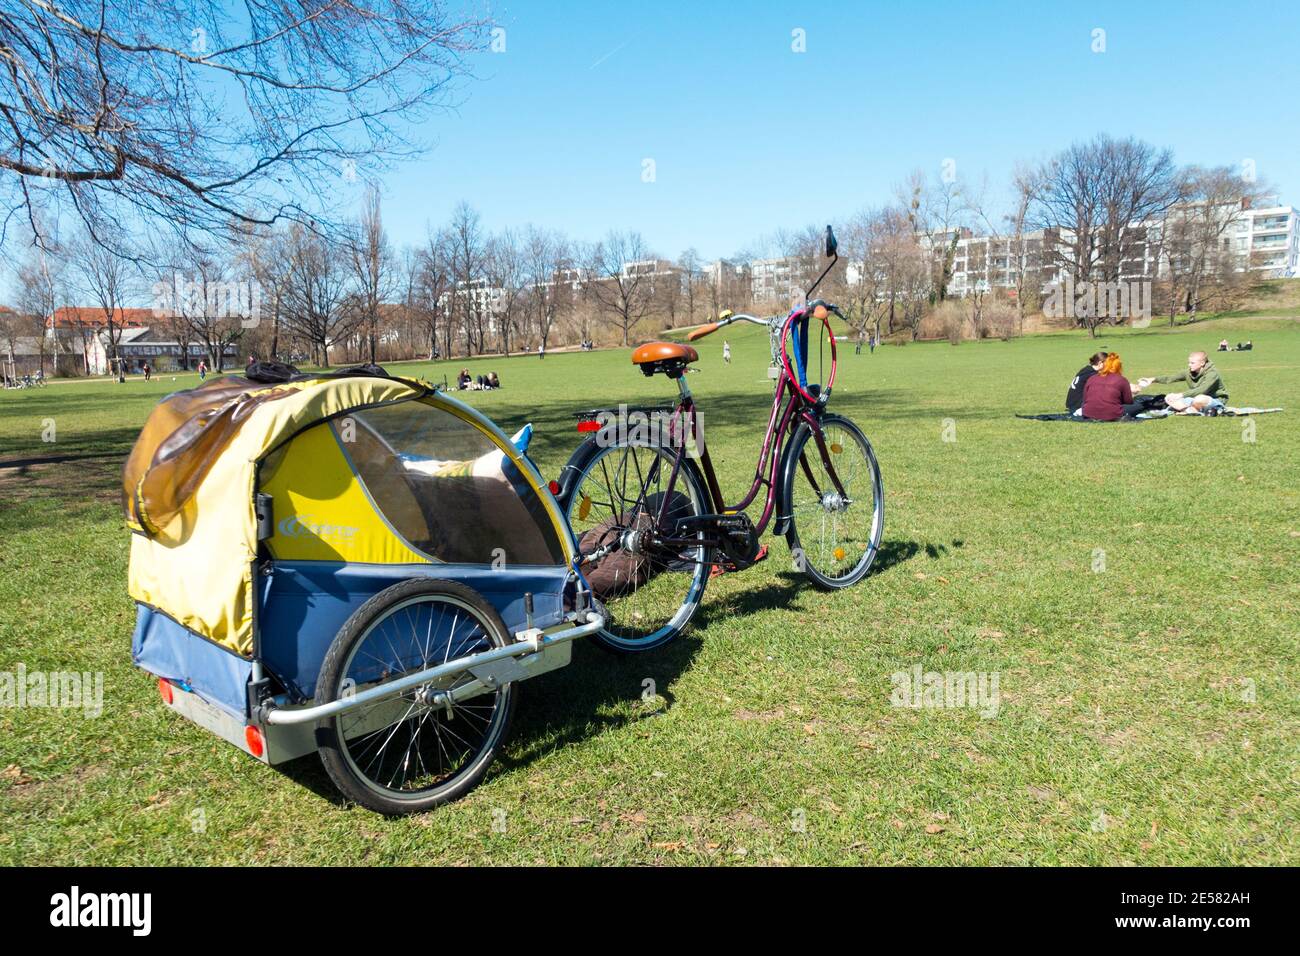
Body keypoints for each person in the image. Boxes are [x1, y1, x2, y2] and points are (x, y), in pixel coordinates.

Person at [1135, 351, 1227, 415]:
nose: (1189, 365)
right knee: (1169, 397)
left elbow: (1202, 390)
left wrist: (1181, 395)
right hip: (1193, 399)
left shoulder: (1212, 374)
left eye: (1192, 363)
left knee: (1199, 398)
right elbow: (1171, 378)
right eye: (1189, 362)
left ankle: (1189, 409)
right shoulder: (1189, 372)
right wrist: (1153, 379)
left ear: (1202, 363)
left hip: (1215, 400)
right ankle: (1190, 410)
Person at [1081, 352, 1135, 421]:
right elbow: (1128, 402)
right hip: (1111, 414)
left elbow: (1085, 399)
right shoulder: (1122, 380)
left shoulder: (1091, 378)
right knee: (1140, 404)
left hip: (1087, 413)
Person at [1066, 351, 1108, 416]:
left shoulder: (1086, 369)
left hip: (1072, 403)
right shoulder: (1093, 375)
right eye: (1107, 364)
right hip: (1078, 405)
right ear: (1100, 363)